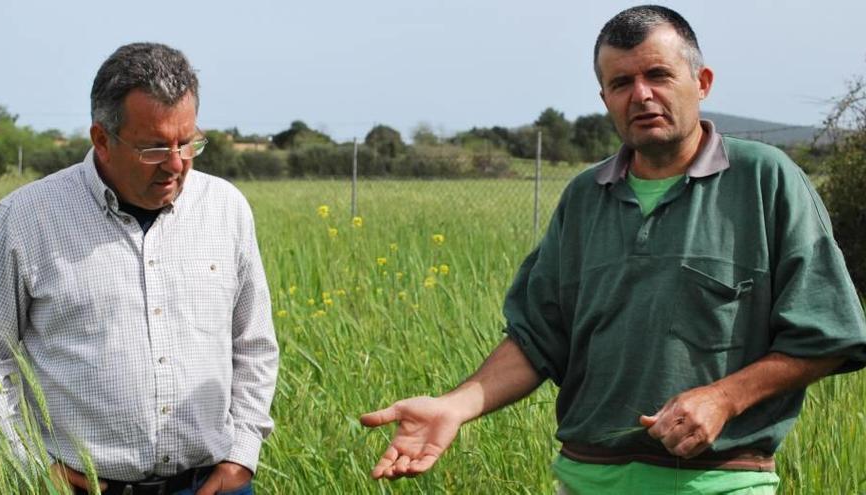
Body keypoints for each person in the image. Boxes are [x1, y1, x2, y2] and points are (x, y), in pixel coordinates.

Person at [360, 5, 866, 494]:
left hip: (718, 483)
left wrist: (723, 399)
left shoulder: (764, 180)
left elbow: (831, 335)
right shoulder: (585, 196)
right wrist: (454, 406)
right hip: (583, 480)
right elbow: (539, 337)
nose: (641, 95)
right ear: (604, 99)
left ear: (702, 83)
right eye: (621, 83)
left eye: (658, 75)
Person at [0, 43, 279, 495]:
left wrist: (242, 455)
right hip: (77, 486)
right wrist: (31, 467)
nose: (177, 163)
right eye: (154, 148)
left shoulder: (227, 209)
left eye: (188, 142)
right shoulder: (28, 219)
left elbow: (254, 344)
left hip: (212, 484)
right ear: (102, 140)